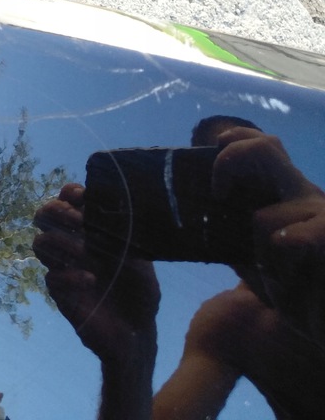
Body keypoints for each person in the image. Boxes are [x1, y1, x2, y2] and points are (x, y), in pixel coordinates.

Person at [33, 120, 325, 419]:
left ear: (281, 169)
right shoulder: (233, 323)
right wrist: (131, 356)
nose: (236, 202)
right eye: (209, 180)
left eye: (249, 171)